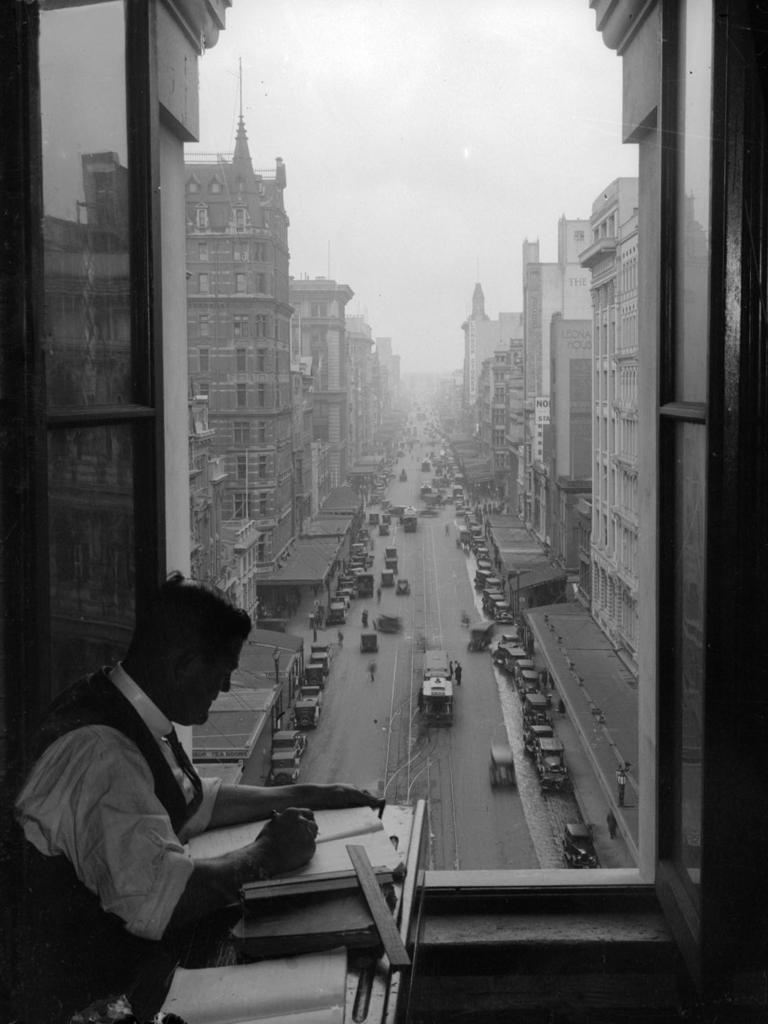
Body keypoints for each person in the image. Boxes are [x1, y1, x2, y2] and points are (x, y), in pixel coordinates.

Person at [12, 572, 378, 1022]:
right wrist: (266, 854)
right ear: (184, 665)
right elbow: (162, 900)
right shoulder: (103, 753)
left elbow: (193, 802)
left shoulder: (122, 707)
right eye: (221, 673)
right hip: (83, 1001)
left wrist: (313, 793)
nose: (224, 689)